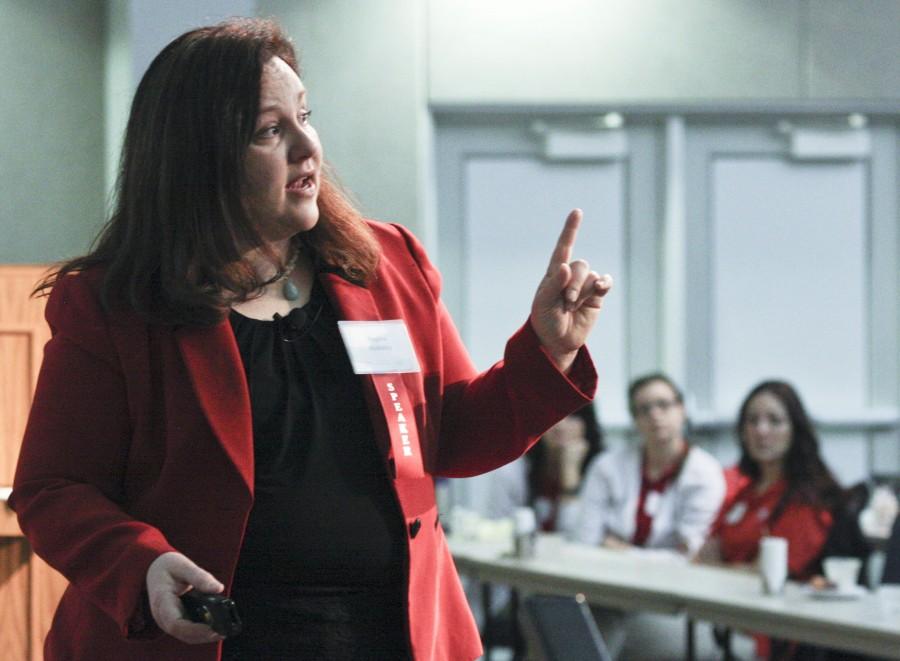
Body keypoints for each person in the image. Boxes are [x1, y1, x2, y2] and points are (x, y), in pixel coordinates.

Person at [9, 18, 613, 661]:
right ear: (198, 159)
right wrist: (142, 566)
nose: (308, 147)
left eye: (305, 116)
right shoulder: (115, 304)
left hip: (389, 635)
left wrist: (548, 350)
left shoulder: (389, 264)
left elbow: (453, 435)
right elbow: (54, 489)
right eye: (271, 130)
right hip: (214, 643)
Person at [696, 380, 842, 580]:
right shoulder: (745, 490)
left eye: (775, 421)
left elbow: (768, 573)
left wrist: (717, 569)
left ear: (795, 430)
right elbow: (705, 553)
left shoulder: (809, 497)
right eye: (753, 421)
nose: (761, 431)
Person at [575, 373, 725, 556]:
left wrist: (624, 552)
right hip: (606, 576)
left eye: (663, 404)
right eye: (644, 409)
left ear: (682, 410)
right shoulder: (606, 467)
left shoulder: (705, 472)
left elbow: (691, 555)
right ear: (635, 420)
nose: (655, 415)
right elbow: (586, 540)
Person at [486, 402, 604, 533]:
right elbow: (496, 529)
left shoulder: (601, 470)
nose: (561, 426)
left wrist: (570, 479)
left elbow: (578, 540)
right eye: (553, 417)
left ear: (587, 424)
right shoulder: (513, 469)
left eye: (573, 416)